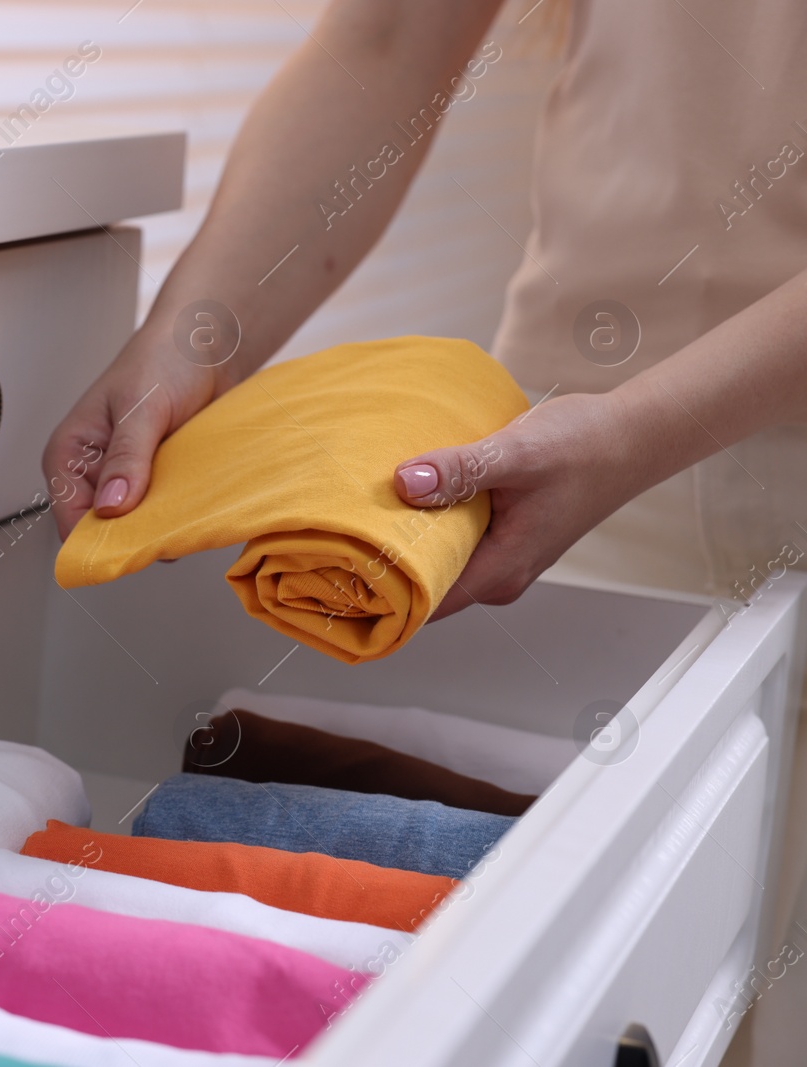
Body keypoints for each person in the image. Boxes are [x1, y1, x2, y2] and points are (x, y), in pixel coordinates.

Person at [42, 0, 807, 1059]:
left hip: (641, 440)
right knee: (561, 973)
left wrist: (634, 432)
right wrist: (195, 340)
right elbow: (389, 36)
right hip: (566, 448)